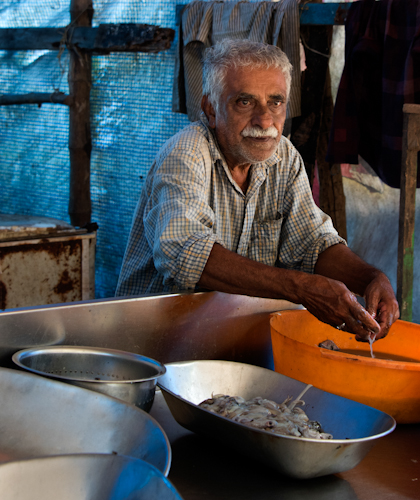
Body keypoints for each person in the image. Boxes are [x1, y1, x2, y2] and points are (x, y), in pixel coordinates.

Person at [116, 39, 399, 342]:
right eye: (245, 102)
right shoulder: (186, 153)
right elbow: (186, 254)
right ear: (211, 110)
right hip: (153, 344)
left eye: (275, 102)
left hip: (228, 340)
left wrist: (372, 278)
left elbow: (313, 243)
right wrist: (299, 287)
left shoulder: (284, 157)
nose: (264, 120)